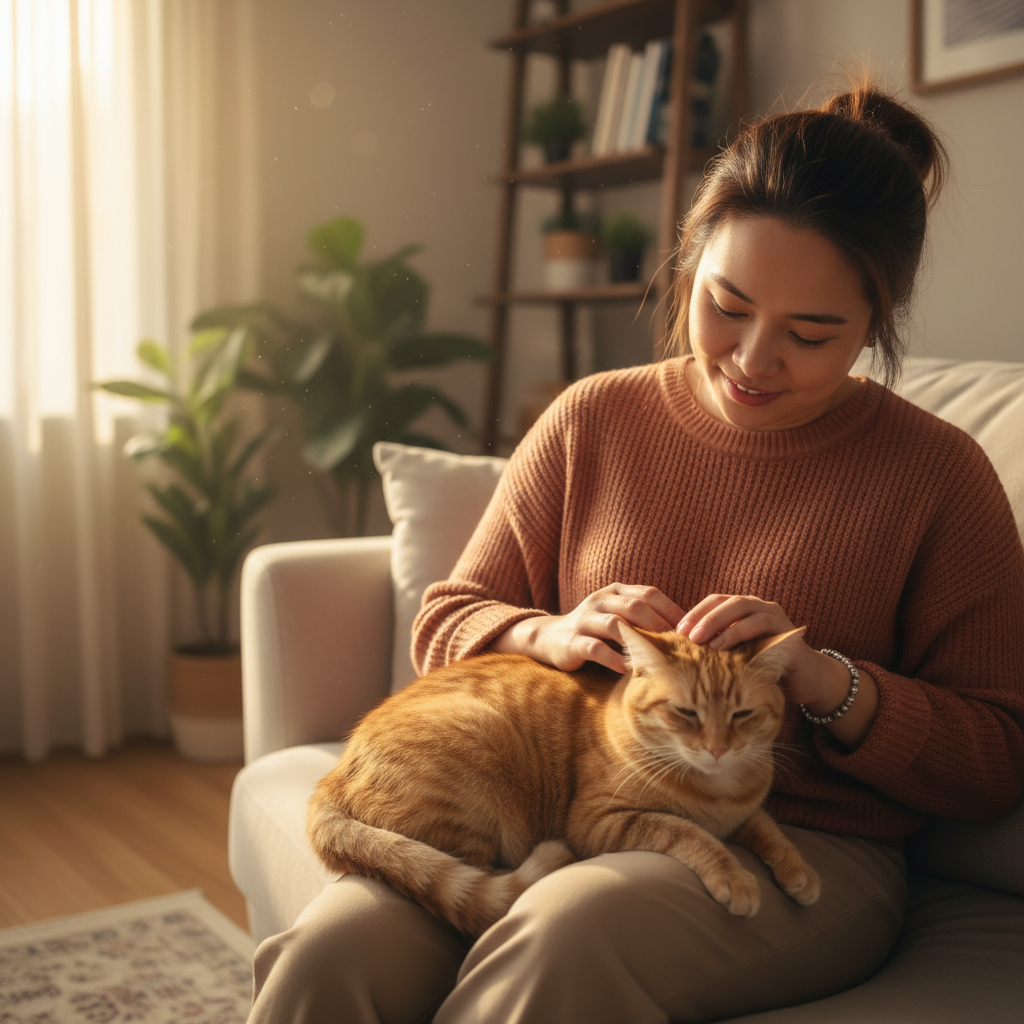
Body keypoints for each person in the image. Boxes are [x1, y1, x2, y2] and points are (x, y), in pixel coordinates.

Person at [248, 82, 1024, 1024]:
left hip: (803, 846)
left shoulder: (939, 475)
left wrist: (826, 682)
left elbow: (995, 757)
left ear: (878, 321)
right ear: (688, 267)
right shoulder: (593, 419)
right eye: (726, 305)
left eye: (810, 334)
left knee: (564, 935)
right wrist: (547, 634)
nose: (752, 359)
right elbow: (446, 620)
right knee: (333, 953)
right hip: (564, 806)